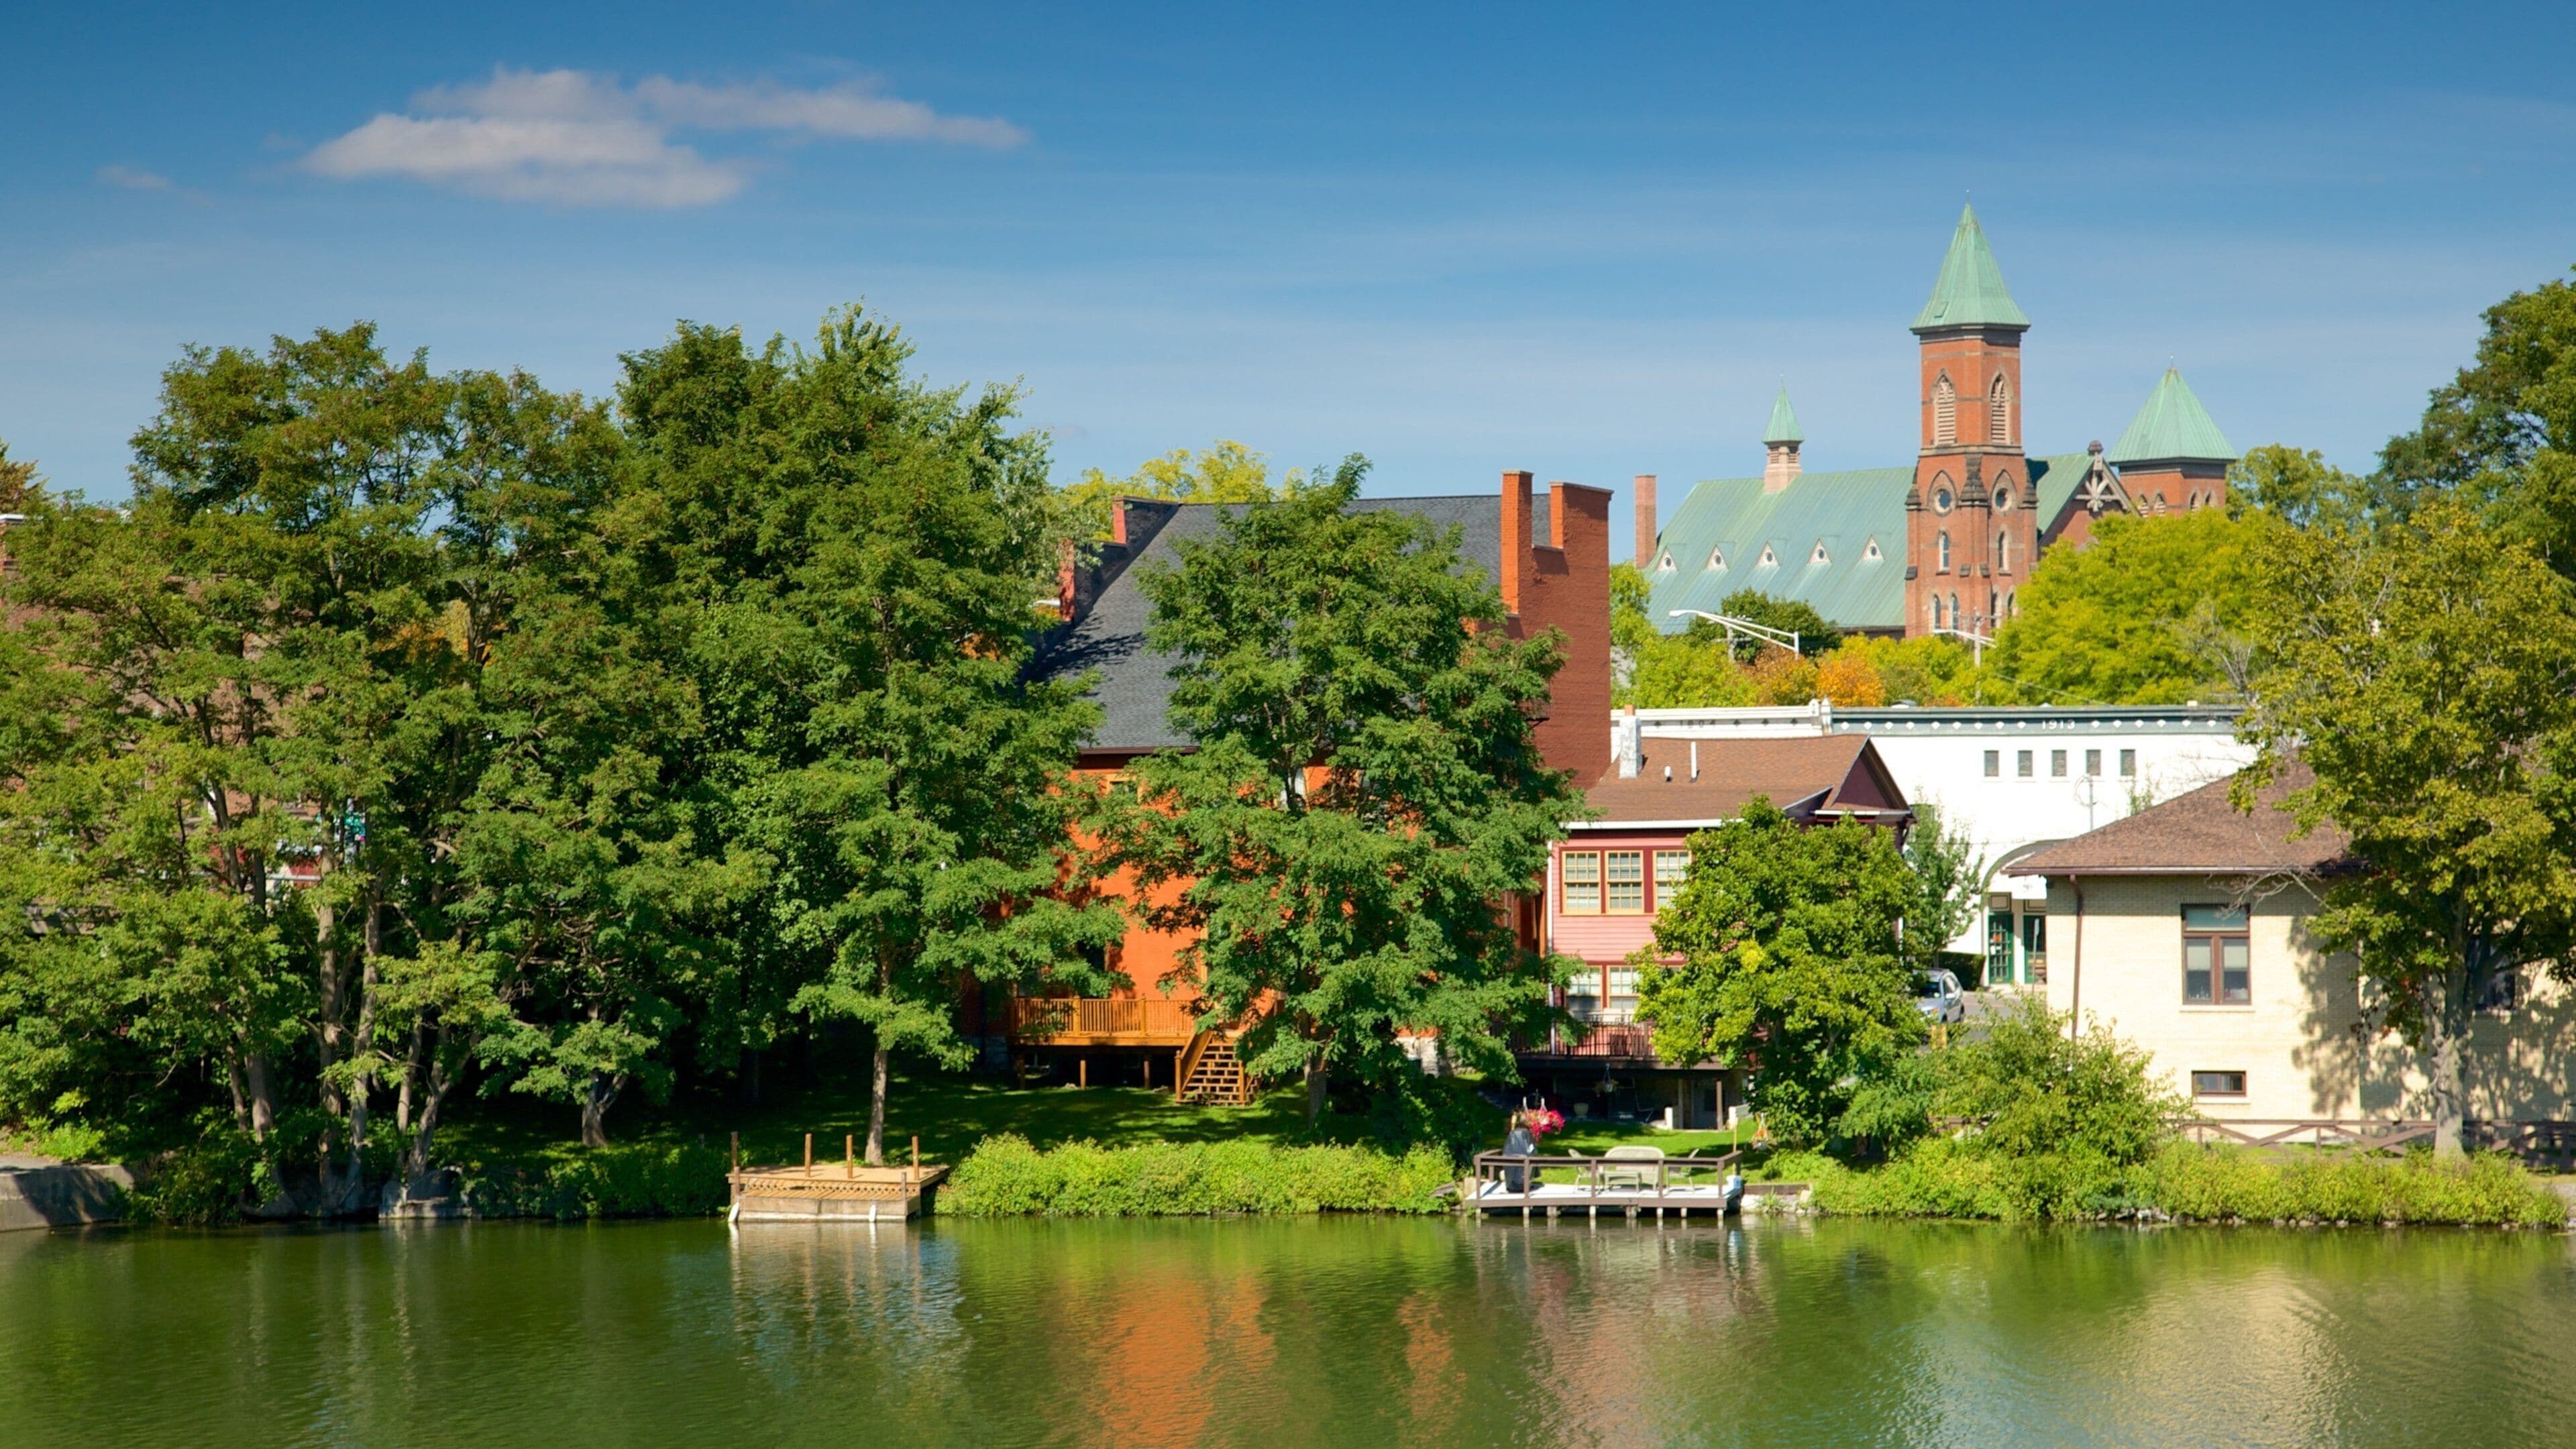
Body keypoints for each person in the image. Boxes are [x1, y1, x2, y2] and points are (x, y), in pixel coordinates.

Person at [1501, 1110, 1539, 1193]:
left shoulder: (1513, 1134)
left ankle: (1513, 1185)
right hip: (1524, 1161)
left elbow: (1506, 1149)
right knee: (1531, 1159)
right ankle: (1524, 1185)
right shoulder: (1526, 1133)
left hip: (1511, 1161)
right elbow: (1532, 1149)